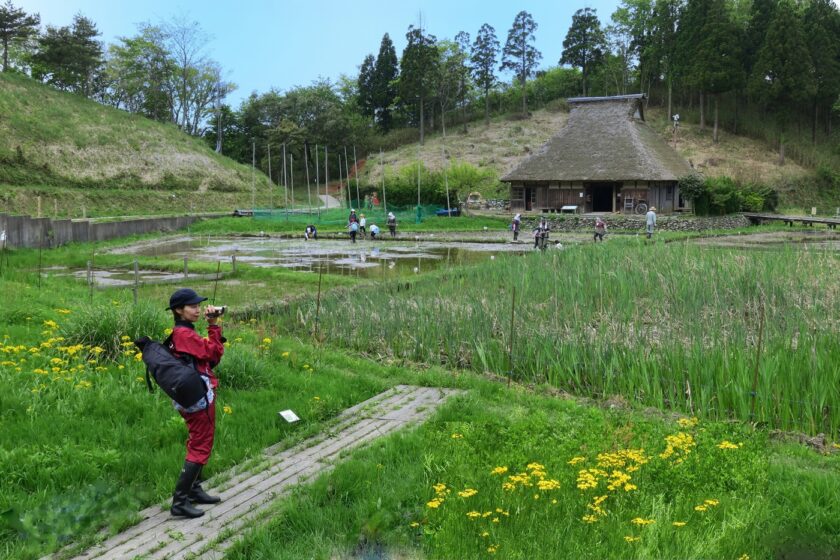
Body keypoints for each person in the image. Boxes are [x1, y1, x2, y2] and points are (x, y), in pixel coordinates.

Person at [166, 288, 226, 519]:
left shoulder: (181, 333)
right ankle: (180, 501)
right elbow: (214, 355)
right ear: (179, 310)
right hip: (198, 397)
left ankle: (193, 490)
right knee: (200, 445)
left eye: (199, 305)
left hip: (190, 394)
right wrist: (214, 325)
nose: (198, 310)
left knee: (198, 440)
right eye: (192, 306)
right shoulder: (185, 335)